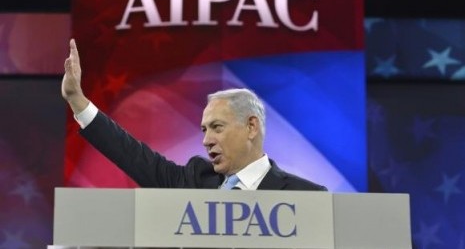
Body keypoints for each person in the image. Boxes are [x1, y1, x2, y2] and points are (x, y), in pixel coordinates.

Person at [62, 39, 327, 191]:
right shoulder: (195, 180)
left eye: (217, 127)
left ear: (251, 126)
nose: (206, 140)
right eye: (204, 130)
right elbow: (133, 156)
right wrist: (78, 102)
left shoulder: (306, 196)